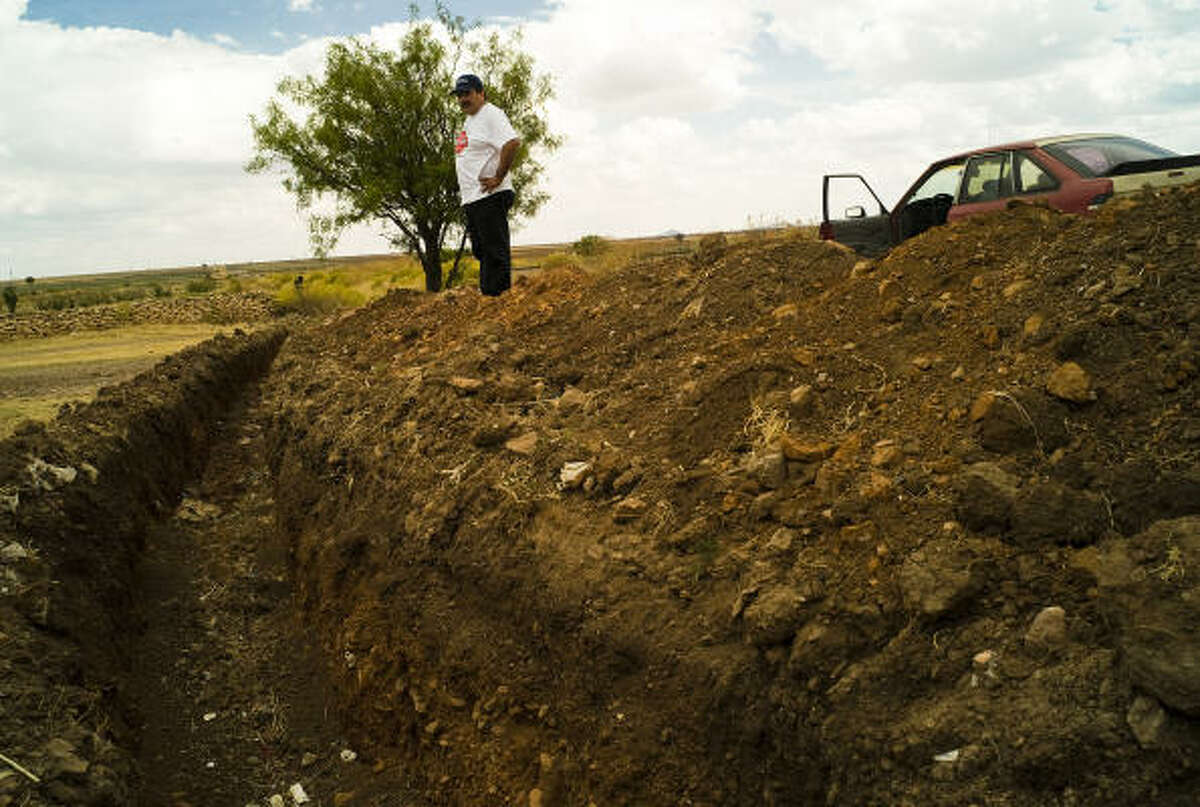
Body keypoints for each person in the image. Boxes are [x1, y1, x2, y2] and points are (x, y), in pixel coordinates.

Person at [452, 73, 521, 296]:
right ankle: (489, 297)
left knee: (494, 251)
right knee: (482, 251)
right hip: (474, 197)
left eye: (468, 93)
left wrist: (499, 177)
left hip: (490, 194)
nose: (463, 99)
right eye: (459, 95)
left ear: (481, 93)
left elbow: (511, 143)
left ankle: (499, 302)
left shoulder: (491, 114)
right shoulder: (470, 120)